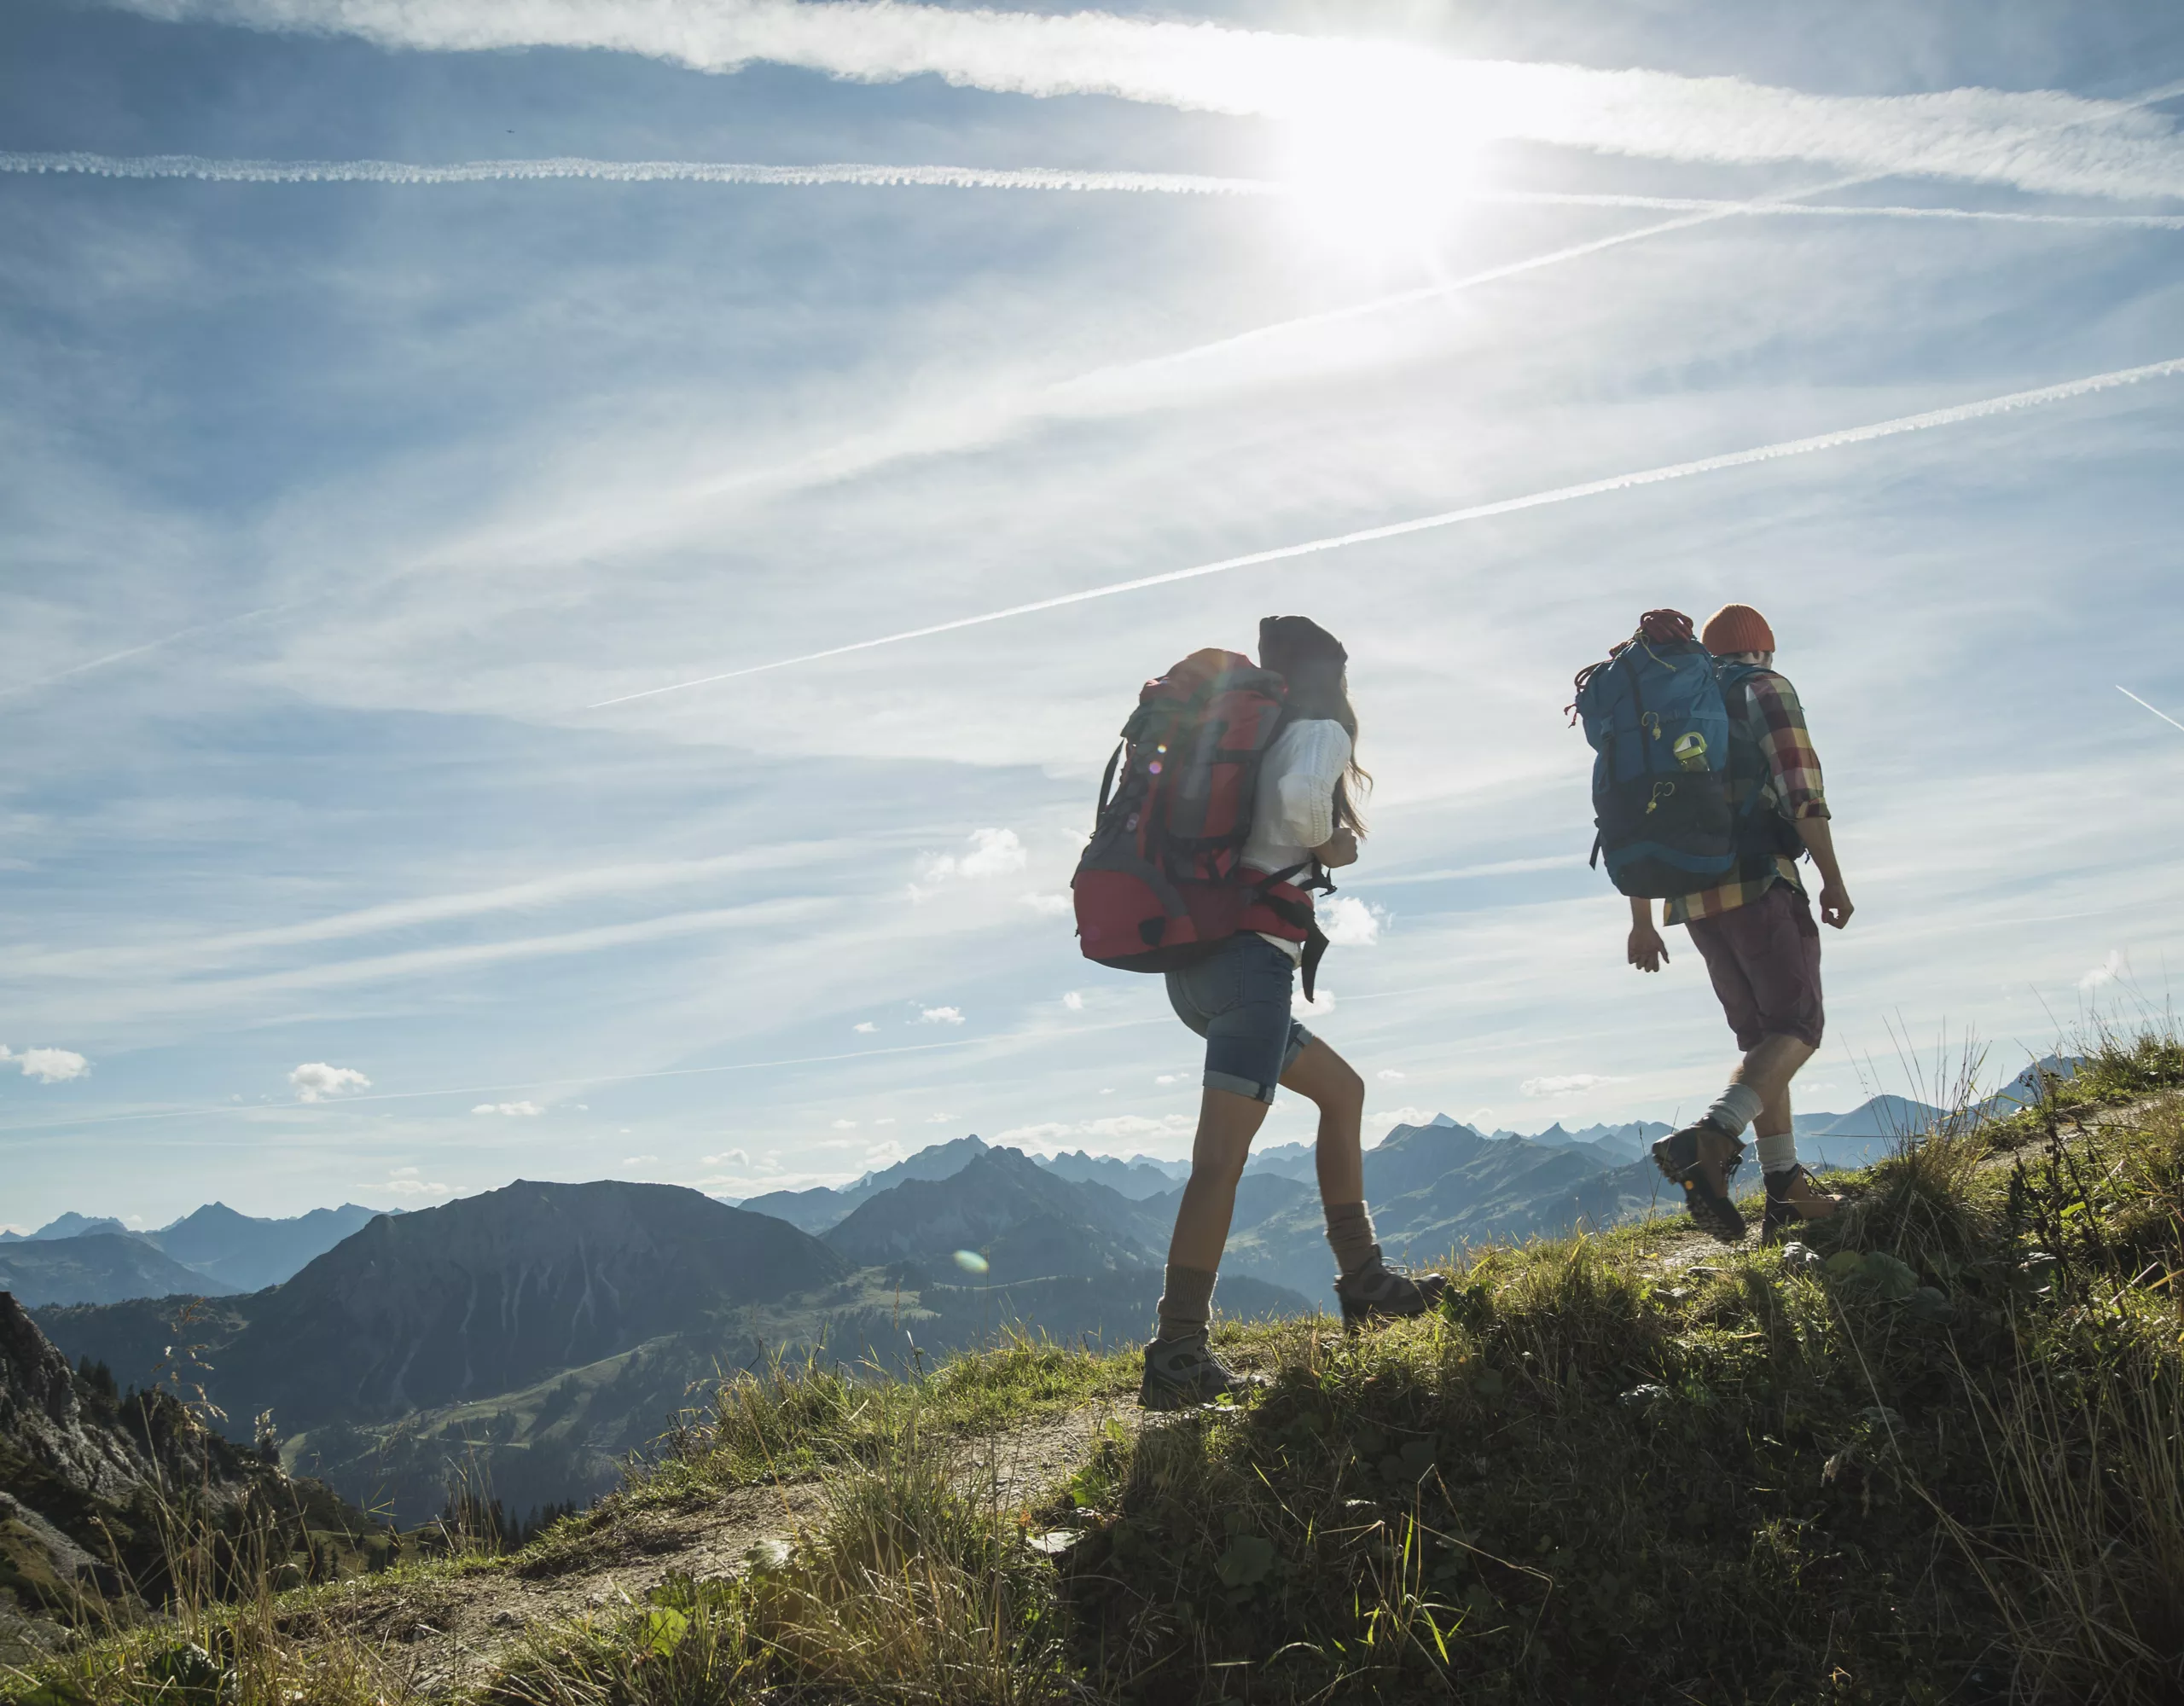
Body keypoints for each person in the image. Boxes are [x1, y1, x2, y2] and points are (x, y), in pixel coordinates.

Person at [1141, 616, 1446, 1411]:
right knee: (1220, 1163)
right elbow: (1301, 807)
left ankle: (1364, 1281)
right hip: (1251, 968)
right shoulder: (1316, 728)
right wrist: (1336, 843)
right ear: (1333, 676)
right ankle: (1178, 1350)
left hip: (1201, 968)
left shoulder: (1253, 729)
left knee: (1341, 1093)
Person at [1628, 603, 1850, 1245]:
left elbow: (1635, 817)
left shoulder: (1664, 712)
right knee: (1798, 1028)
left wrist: (1641, 919)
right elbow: (1802, 788)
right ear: (1765, 651)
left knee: (1761, 1042)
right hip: (1757, 881)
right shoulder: (1765, 689)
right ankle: (1713, 1134)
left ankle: (1783, 1188)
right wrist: (1832, 877)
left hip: (1689, 897)